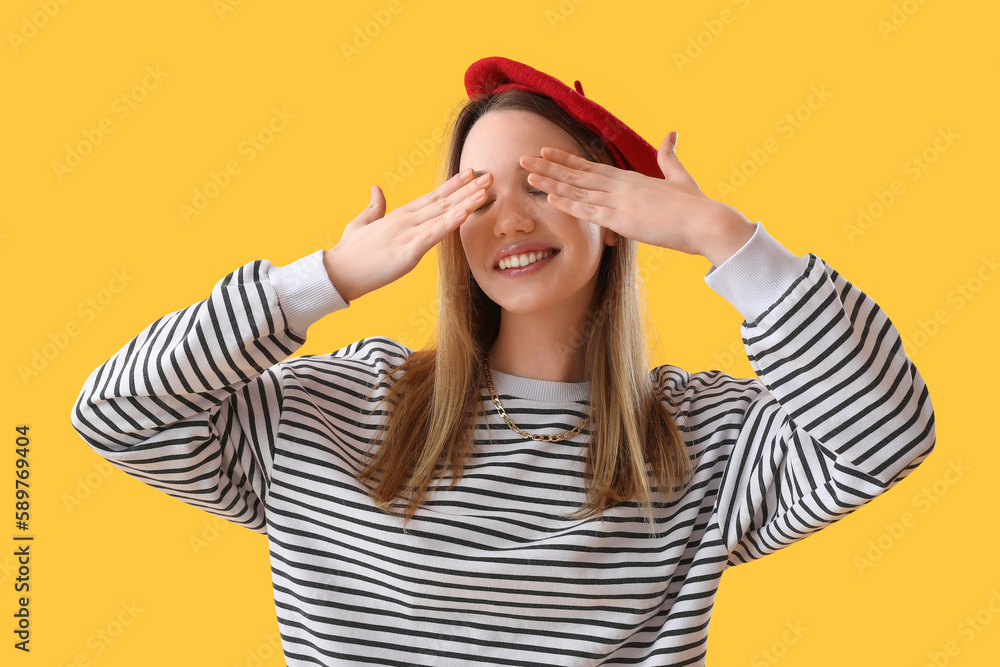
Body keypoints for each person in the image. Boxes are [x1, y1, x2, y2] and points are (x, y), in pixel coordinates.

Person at [70, 56, 936, 666]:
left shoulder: (705, 443)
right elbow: (116, 413)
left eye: (545, 182)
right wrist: (321, 281)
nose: (509, 219)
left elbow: (886, 437)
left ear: (620, 208)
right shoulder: (334, 410)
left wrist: (724, 237)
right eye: (478, 193)